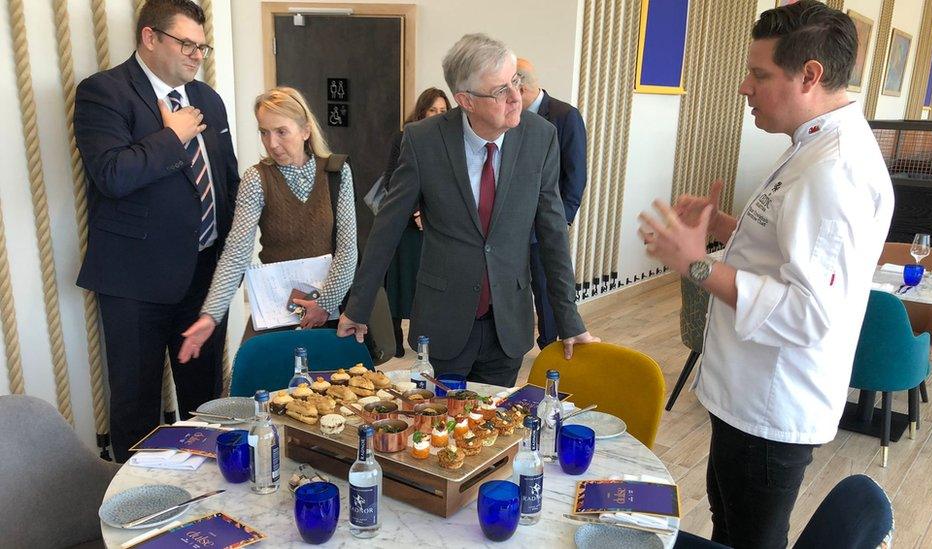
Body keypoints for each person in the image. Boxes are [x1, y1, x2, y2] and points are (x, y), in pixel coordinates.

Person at [639, 2, 893, 547]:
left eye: (759, 75)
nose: (744, 88)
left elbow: (808, 312)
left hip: (772, 405)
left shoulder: (833, 170)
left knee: (751, 536)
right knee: (728, 523)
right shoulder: (813, 145)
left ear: (811, 75)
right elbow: (791, 246)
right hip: (747, 391)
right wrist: (728, 224)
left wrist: (695, 264)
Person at [337, 34, 598, 387]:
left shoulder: (541, 137)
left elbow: (552, 232)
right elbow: (387, 228)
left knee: (494, 432)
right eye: (500, 90)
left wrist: (569, 319)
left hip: (507, 323)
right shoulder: (423, 140)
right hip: (443, 323)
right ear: (466, 100)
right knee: (437, 432)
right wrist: (358, 306)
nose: (516, 98)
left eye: (515, 83)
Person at [74, 0, 240, 461]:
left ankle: (212, 497)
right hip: (135, 285)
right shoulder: (103, 92)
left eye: (202, 46)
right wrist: (173, 137)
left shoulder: (207, 98)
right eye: (186, 43)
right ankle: (140, 511)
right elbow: (112, 175)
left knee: (205, 402)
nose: (196, 55)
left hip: (205, 276)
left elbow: (226, 180)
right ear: (150, 37)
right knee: (137, 404)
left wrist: (234, 260)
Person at [178, 87, 358, 360]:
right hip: (278, 309)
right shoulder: (256, 179)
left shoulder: (336, 171)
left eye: (281, 131)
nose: (272, 143)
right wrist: (211, 315)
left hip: (332, 306)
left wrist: (324, 304)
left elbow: (348, 249)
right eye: (264, 132)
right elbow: (235, 254)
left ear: (305, 131)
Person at [516, 58, 587, 349]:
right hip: (514, 224)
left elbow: (575, 175)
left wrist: (562, 220)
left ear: (520, 87)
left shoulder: (564, 115)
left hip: (546, 224)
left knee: (546, 289)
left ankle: (550, 346)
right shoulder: (511, 117)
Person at [384, 87, 451, 357]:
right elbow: (392, 181)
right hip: (406, 227)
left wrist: (432, 214)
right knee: (400, 283)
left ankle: (426, 339)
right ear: (422, 111)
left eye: (443, 111)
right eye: (432, 110)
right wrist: (416, 213)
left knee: (430, 288)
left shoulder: (451, 142)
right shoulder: (403, 138)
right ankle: (395, 336)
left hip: (437, 227)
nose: (436, 115)